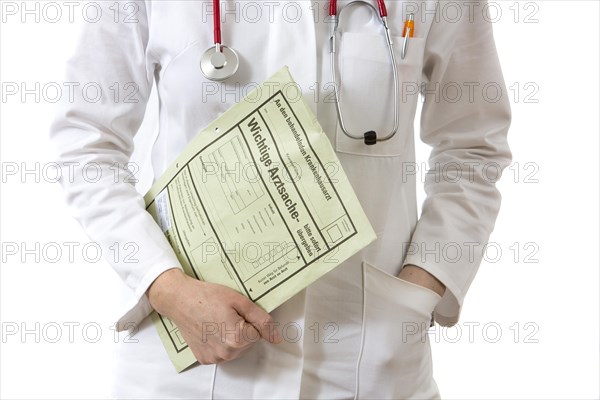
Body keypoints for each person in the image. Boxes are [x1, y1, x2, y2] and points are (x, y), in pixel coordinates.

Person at [50, 0, 511, 398]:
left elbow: (472, 148)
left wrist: (423, 284)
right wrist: (165, 286)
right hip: (188, 367)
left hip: (369, 358)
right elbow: (85, 141)